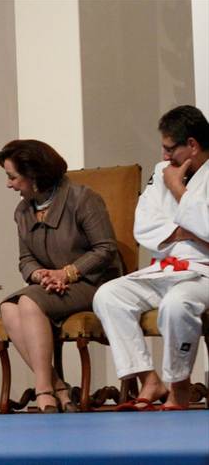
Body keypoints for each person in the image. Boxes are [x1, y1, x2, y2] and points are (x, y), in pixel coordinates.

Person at [93, 105, 209, 411]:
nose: (164, 156)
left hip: (203, 273)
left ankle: (179, 386)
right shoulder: (161, 172)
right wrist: (190, 231)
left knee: (177, 304)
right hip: (164, 269)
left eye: (170, 149)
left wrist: (178, 190)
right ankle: (149, 379)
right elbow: (143, 224)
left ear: (192, 145)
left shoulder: (177, 178)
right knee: (109, 295)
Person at [0, 139, 122, 413]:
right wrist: (39, 275)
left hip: (93, 283)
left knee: (28, 302)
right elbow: (25, 259)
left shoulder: (82, 198)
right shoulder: (23, 211)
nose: (8, 184)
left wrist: (67, 273)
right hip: (51, 287)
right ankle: (59, 387)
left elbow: (105, 249)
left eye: (12, 177)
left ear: (34, 175)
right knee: (8, 307)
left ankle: (43, 389)